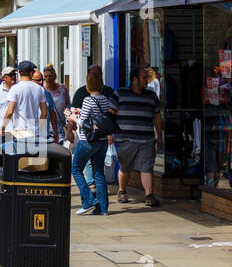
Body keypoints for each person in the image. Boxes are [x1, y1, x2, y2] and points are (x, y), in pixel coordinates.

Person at [115, 66, 164, 208]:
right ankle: (122, 190)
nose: (147, 81)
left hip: (147, 139)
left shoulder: (151, 96)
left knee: (147, 167)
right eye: (144, 78)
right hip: (125, 140)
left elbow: (157, 117)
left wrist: (159, 136)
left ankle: (149, 195)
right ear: (135, 79)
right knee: (125, 167)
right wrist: (111, 134)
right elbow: (110, 115)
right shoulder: (119, 94)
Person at [70, 69, 115, 216]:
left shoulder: (88, 100)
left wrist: (72, 117)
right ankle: (102, 208)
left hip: (87, 141)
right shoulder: (105, 99)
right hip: (101, 141)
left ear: (88, 84)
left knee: (76, 169)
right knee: (99, 173)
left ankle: (88, 200)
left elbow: (82, 122)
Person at [1, 69, 56, 154]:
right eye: (38, 80)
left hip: (40, 133)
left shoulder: (46, 93)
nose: (41, 82)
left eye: (42, 80)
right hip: (24, 133)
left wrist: (49, 132)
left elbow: (50, 113)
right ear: (31, 78)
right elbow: (10, 113)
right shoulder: (26, 90)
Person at [43, 66, 70, 144]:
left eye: (50, 76)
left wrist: (68, 119)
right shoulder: (42, 90)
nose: (48, 78)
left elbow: (68, 104)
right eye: (46, 76)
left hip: (61, 124)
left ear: (54, 76)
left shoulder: (63, 88)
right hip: (48, 126)